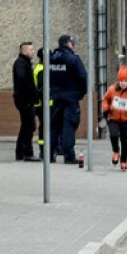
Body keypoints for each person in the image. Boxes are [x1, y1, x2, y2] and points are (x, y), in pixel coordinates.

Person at [49, 34, 87, 164]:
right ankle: (69, 156)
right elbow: (82, 76)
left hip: (55, 97)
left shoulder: (52, 58)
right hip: (71, 97)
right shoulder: (73, 59)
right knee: (68, 126)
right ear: (67, 44)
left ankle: (49, 154)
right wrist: (82, 92)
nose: (73, 45)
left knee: (54, 126)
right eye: (72, 43)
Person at [101, 65, 127, 172]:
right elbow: (105, 100)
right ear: (118, 81)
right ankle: (116, 151)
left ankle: (124, 161)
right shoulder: (112, 90)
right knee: (113, 135)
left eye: (126, 81)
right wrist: (106, 108)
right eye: (121, 80)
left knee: (126, 142)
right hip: (113, 117)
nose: (123, 83)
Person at [12, 41, 40, 161]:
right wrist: (30, 95)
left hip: (25, 99)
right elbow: (23, 80)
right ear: (25, 51)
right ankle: (26, 153)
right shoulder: (21, 64)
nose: (33, 52)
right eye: (31, 50)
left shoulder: (24, 63)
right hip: (24, 100)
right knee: (29, 126)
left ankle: (22, 152)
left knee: (27, 126)